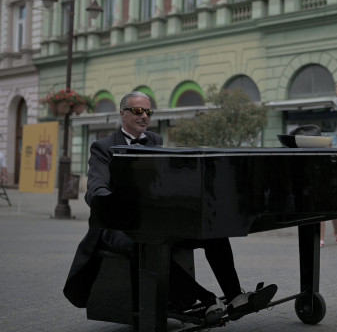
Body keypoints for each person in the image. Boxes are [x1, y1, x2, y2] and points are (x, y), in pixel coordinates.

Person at [63, 91, 277, 325]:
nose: (144, 116)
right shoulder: (102, 147)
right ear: (122, 113)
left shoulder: (155, 140)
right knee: (145, 245)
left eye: (148, 111)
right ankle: (206, 300)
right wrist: (117, 204)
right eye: (138, 111)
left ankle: (236, 298)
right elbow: (96, 189)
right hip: (116, 227)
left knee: (214, 232)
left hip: (155, 221)